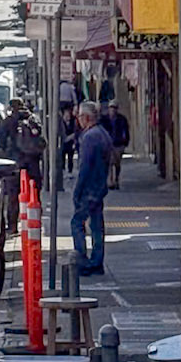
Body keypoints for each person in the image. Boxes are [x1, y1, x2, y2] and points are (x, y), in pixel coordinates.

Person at [71, 101, 114, 275]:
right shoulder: (103, 134)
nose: (78, 120)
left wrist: (78, 190)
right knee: (97, 225)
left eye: (80, 116)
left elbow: (85, 167)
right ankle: (97, 261)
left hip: (89, 188)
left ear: (87, 118)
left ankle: (82, 260)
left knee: (77, 223)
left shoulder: (89, 137)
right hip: (99, 187)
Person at [102, 96, 131, 191]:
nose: (113, 110)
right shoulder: (104, 120)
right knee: (109, 162)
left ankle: (116, 179)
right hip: (108, 144)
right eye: (111, 108)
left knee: (117, 163)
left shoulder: (122, 119)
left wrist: (125, 142)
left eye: (114, 108)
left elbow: (125, 131)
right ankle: (110, 181)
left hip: (118, 144)